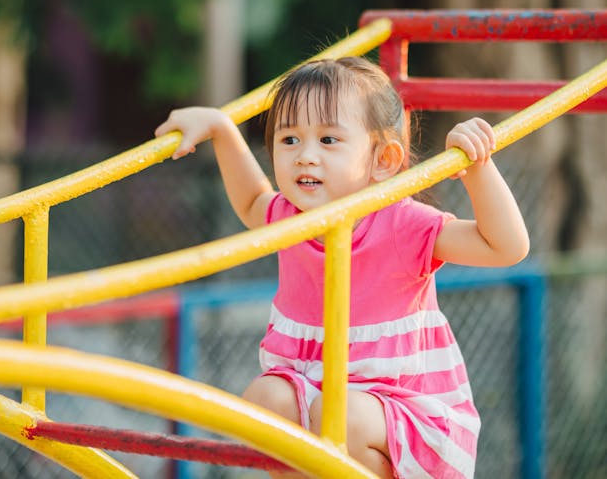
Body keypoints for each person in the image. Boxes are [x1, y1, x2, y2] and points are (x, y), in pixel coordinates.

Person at [155, 56, 529, 479]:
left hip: (405, 415)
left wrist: (477, 170)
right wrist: (221, 130)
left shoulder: (401, 223)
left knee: (341, 414)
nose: (304, 157)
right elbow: (251, 202)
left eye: (328, 140)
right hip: (318, 395)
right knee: (263, 401)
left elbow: (505, 247)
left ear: (383, 160)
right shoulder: (293, 217)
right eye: (289, 139)